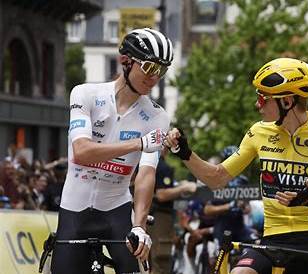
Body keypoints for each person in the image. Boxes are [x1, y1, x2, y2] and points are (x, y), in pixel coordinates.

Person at [166, 57, 308, 274]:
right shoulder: (258, 132)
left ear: (287, 102)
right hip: (273, 238)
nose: (258, 104)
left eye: (263, 98)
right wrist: (184, 152)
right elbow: (216, 177)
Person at [50, 27, 173, 274]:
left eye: (161, 70)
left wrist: (139, 226)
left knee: (137, 267)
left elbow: (146, 174)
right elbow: (81, 151)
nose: (154, 77)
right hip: (75, 209)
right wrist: (138, 143)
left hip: (116, 208)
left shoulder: (157, 116)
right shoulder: (85, 94)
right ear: (126, 61)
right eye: (149, 67)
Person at [149, 148, 197, 274]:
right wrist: (184, 187)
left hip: (148, 215)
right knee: (161, 259)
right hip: (159, 217)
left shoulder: (146, 163)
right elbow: (162, 194)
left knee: (148, 260)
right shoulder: (162, 166)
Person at [203, 146, 256, 247]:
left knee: (255, 245)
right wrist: (229, 206)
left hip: (240, 226)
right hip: (222, 226)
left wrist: (244, 206)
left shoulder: (243, 180)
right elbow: (207, 210)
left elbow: (248, 209)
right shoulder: (216, 180)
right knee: (219, 259)